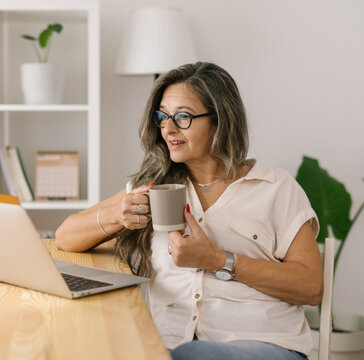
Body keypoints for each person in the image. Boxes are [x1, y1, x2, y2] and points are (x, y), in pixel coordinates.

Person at [54, 62, 322, 360]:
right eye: (163, 117)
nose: (168, 129)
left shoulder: (275, 187)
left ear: (220, 120)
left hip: (264, 345)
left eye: (182, 117)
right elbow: (65, 236)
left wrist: (216, 260)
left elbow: (311, 287)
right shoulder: (155, 187)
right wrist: (117, 215)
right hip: (168, 345)